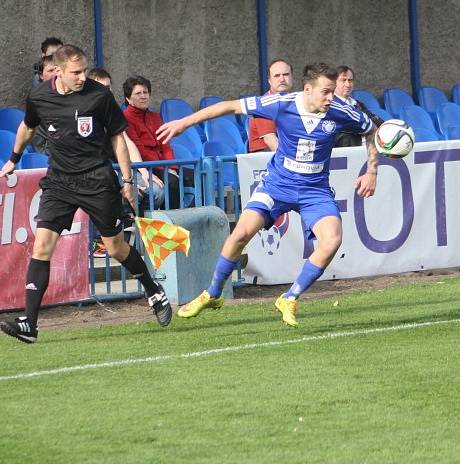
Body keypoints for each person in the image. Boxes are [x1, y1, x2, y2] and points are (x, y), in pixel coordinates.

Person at [157, 62, 379, 327]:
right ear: (308, 89)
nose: (331, 98)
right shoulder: (281, 104)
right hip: (277, 185)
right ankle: (212, 293)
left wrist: (372, 172)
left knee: (331, 241)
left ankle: (290, 297)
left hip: (314, 191)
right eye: (326, 92)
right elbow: (228, 106)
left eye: (333, 92)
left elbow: (372, 131)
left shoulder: (341, 111)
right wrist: (185, 122)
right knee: (239, 234)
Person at [0, 45, 172, 343]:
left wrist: (128, 180)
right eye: (75, 73)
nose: (82, 77)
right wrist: (13, 159)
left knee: (116, 248)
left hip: (97, 181)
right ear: (58, 71)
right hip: (59, 183)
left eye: (83, 71)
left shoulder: (98, 95)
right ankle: (30, 323)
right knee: (41, 247)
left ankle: (153, 290)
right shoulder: (40, 96)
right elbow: (28, 128)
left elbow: (118, 139)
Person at [87, 68, 164, 210]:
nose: (106, 91)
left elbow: (127, 142)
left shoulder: (112, 109)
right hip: (96, 171)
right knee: (130, 194)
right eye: (101, 87)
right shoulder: (83, 111)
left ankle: (140, 225)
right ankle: (127, 225)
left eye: (108, 87)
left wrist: (144, 171)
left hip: (118, 166)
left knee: (156, 191)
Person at [123, 75, 187, 209]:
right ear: (128, 99)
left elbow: (165, 144)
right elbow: (138, 149)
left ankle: (200, 219)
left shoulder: (155, 116)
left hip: (163, 165)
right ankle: (170, 223)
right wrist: (164, 168)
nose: (143, 96)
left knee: (201, 177)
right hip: (146, 166)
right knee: (173, 182)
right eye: (138, 93)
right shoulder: (126, 118)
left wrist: (172, 167)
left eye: (145, 92)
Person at [248, 59, 293, 152]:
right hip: (264, 156)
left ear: (292, 77)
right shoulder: (264, 104)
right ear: (269, 81)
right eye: (277, 76)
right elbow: (271, 140)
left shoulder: (294, 101)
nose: (282, 79)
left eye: (286, 74)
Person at [334, 65, 384, 147]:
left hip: (364, 151)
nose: (348, 84)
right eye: (343, 80)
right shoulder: (330, 105)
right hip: (345, 153)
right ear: (334, 82)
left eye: (350, 80)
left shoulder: (357, 104)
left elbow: (376, 120)